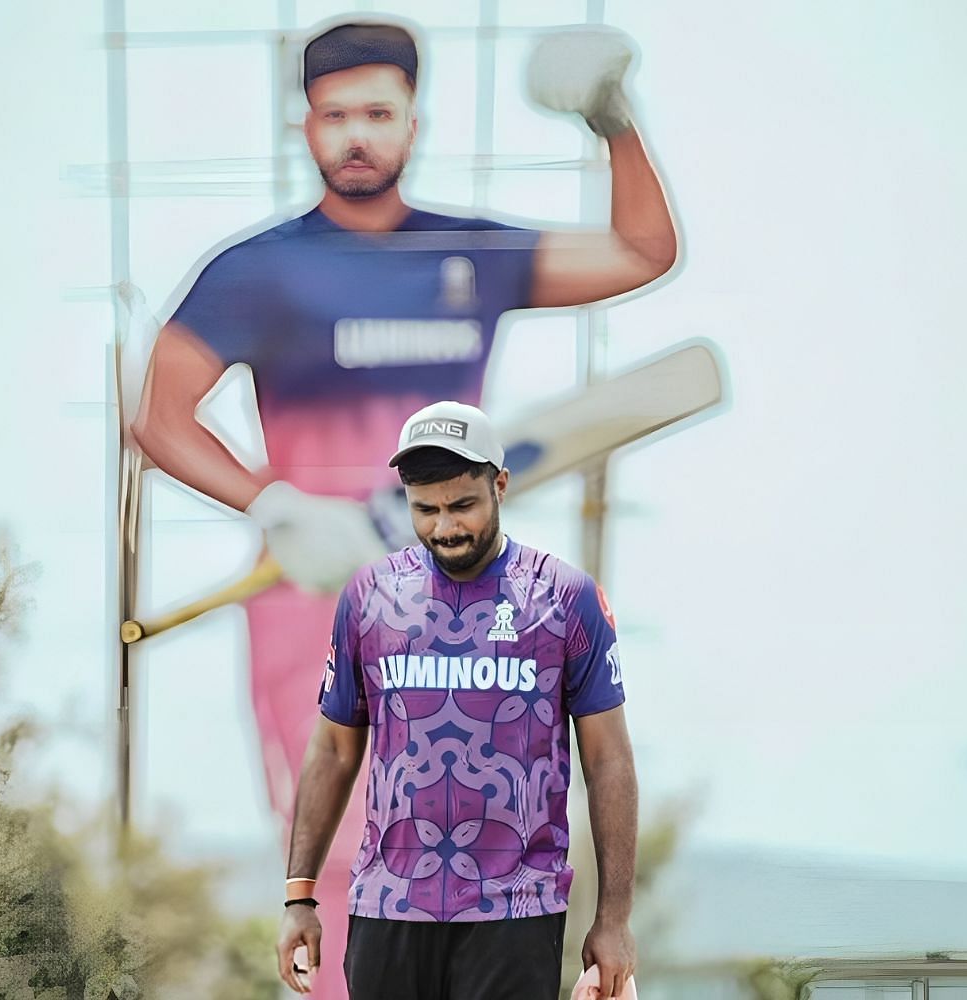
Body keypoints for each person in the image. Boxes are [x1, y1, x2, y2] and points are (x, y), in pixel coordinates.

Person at [130, 19, 673, 996]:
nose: (357, 135)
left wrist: (612, 121)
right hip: (313, 601)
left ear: (415, 124)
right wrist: (274, 502)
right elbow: (159, 418)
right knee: (343, 847)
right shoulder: (256, 271)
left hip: (463, 589)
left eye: (378, 113)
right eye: (336, 115)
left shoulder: (470, 254)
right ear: (304, 127)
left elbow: (643, 251)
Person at [277, 400, 639, 1000]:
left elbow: (609, 762)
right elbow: (335, 751)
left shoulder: (564, 598)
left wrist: (614, 920)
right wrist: (299, 897)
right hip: (388, 905)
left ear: (499, 485)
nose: (445, 527)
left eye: (463, 505)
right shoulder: (368, 597)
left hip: (516, 909)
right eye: (426, 510)